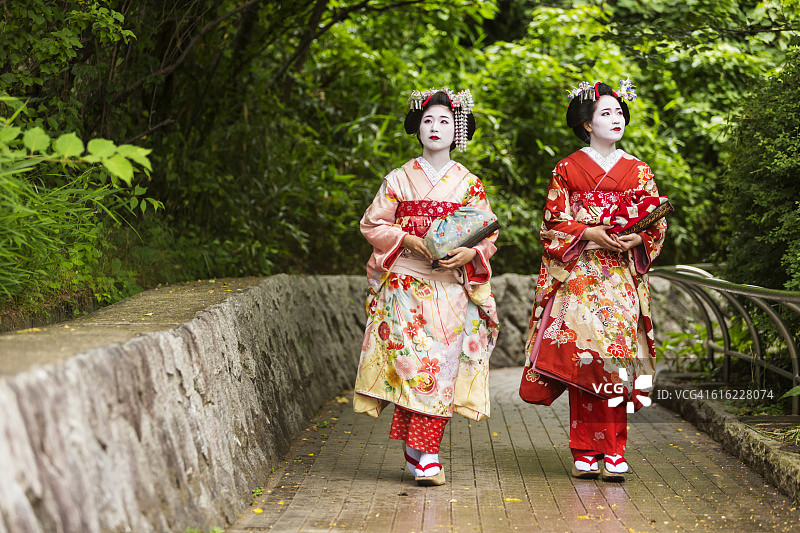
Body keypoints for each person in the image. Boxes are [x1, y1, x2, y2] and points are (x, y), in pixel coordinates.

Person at [519, 80, 667, 482]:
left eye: (619, 112)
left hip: (620, 276)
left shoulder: (639, 169)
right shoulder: (567, 168)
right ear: (586, 124)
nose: (615, 119)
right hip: (582, 275)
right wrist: (588, 232)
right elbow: (552, 223)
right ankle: (585, 449)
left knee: (616, 359)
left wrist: (640, 236)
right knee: (585, 358)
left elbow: (656, 221)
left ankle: (615, 449)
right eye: (605, 113)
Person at [353, 88, 500, 486]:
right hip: (404, 279)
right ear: (417, 129)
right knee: (415, 366)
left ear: (458, 132)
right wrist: (409, 239)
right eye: (428, 120)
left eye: (445, 122)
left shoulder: (469, 183)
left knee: (442, 368)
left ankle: (418, 450)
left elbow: (487, 232)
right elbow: (372, 225)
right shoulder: (399, 178)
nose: (435, 127)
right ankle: (427, 455)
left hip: (451, 285)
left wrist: (473, 255)